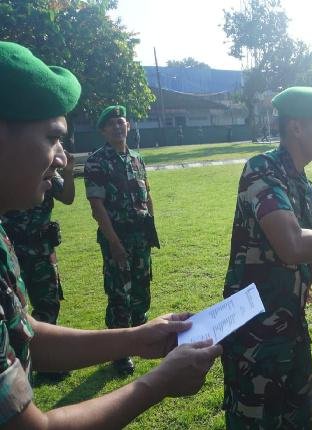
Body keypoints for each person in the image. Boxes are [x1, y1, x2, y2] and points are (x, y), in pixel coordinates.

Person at [0, 40, 221, 430]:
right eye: (52, 138)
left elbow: (26, 337)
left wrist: (136, 337)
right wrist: (158, 383)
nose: (62, 158)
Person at [221, 86, 312, 429]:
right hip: (254, 338)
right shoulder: (262, 170)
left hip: (292, 334)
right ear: (297, 127)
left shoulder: (307, 189)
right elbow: (292, 244)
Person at [84, 105, 160, 375]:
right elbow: (97, 206)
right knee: (119, 293)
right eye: (112, 123)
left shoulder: (137, 159)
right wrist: (114, 242)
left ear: (128, 126)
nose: (118, 126)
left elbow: (147, 194)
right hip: (117, 237)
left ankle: (141, 336)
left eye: (121, 122)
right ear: (104, 130)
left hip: (141, 237)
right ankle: (120, 352)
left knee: (141, 288)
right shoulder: (96, 161)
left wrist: (151, 227)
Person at [0, 146, 75, 381]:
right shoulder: (12, 176)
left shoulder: (49, 174)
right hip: (14, 249)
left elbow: (68, 198)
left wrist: (69, 173)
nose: (58, 155)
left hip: (42, 249)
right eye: (51, 139)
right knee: (13, 308)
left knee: (48, 303)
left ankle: (47, 363)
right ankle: (20, 361)